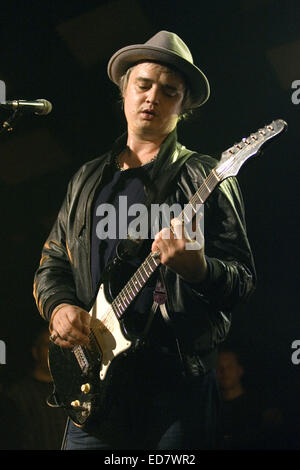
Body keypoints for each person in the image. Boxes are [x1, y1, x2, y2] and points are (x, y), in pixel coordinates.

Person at [33, 31, 256, 450]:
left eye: (169, 91)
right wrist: (60, 307)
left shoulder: (204, 179)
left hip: (175, 391)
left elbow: (242, 280)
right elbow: (52, 263)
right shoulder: (86, 179)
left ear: (182, 106)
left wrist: (199, 269)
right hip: (93, 388)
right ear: (124, 91)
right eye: (144, 84)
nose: (153, 96)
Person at [6, 326, 67, 450]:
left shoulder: (69, 389)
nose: (52, 350)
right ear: (36, 352)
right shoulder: (19, 394)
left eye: (56, 344)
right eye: (47, 345)